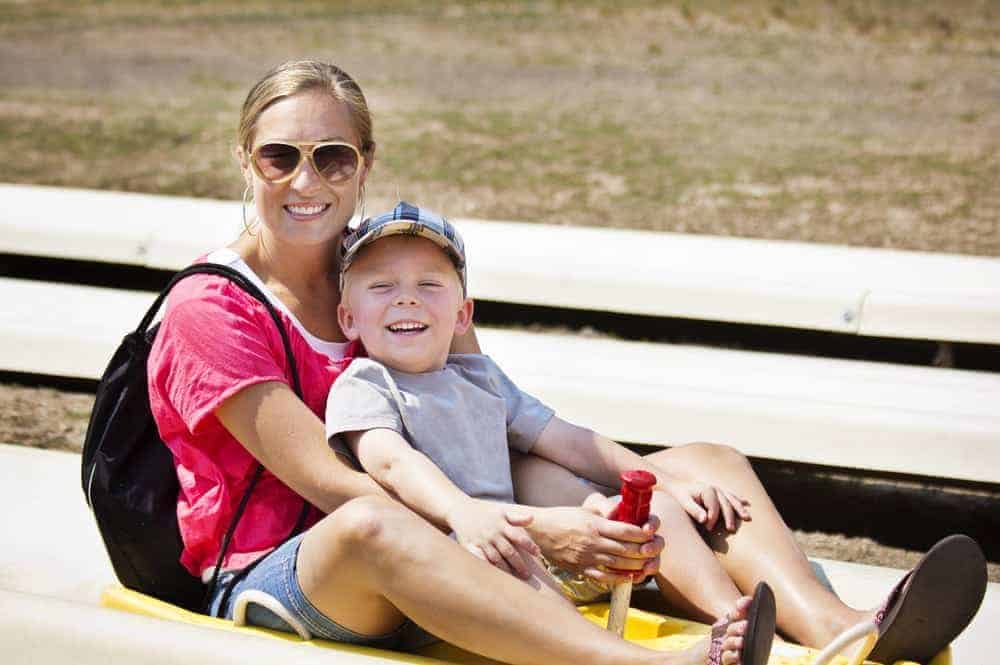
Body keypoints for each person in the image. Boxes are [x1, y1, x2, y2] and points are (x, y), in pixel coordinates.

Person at [146, 58, 771, 665]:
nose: (306, 182)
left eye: (332, 157)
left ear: (364, 164)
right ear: (244, 162)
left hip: (450, 528)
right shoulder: (211, 306)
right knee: (373, 525)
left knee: (706, 465)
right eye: (279, 156)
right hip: (296, 569)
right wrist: (532, 529)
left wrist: (653, 481)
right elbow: (333, 486)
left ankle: (834, 635)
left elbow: (485, 405)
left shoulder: (383, 268)